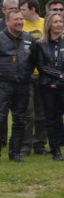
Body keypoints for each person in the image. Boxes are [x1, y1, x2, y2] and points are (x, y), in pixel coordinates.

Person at [0, 9, 39, 164]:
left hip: (23, 85)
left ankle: (15, 153)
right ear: (7, 21)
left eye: (21, 19)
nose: (19, 22)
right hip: (3, 85)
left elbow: (34, 60)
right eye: (16, 19)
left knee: (20, 120)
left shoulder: (29, 39)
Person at [19, 0, 47, 156]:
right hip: (26, 75)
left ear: (32, 10)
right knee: (27, 111)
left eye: (23, 9)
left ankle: (40, 144)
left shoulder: (45, 24)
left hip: (43, 74)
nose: (20, 13)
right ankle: (25, 145)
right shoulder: (20, 25)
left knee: (41, 111)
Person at [37, 11, 64, 161]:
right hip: (47, 87)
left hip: (61, 86)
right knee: (51, 118)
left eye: (60, 21)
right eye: (55, 22)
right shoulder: (40, 44)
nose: (59, 24)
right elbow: (41, 66)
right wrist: (57, 77)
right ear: (48, 24)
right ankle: (55, 151)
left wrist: (60, 81)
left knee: (59, 117)